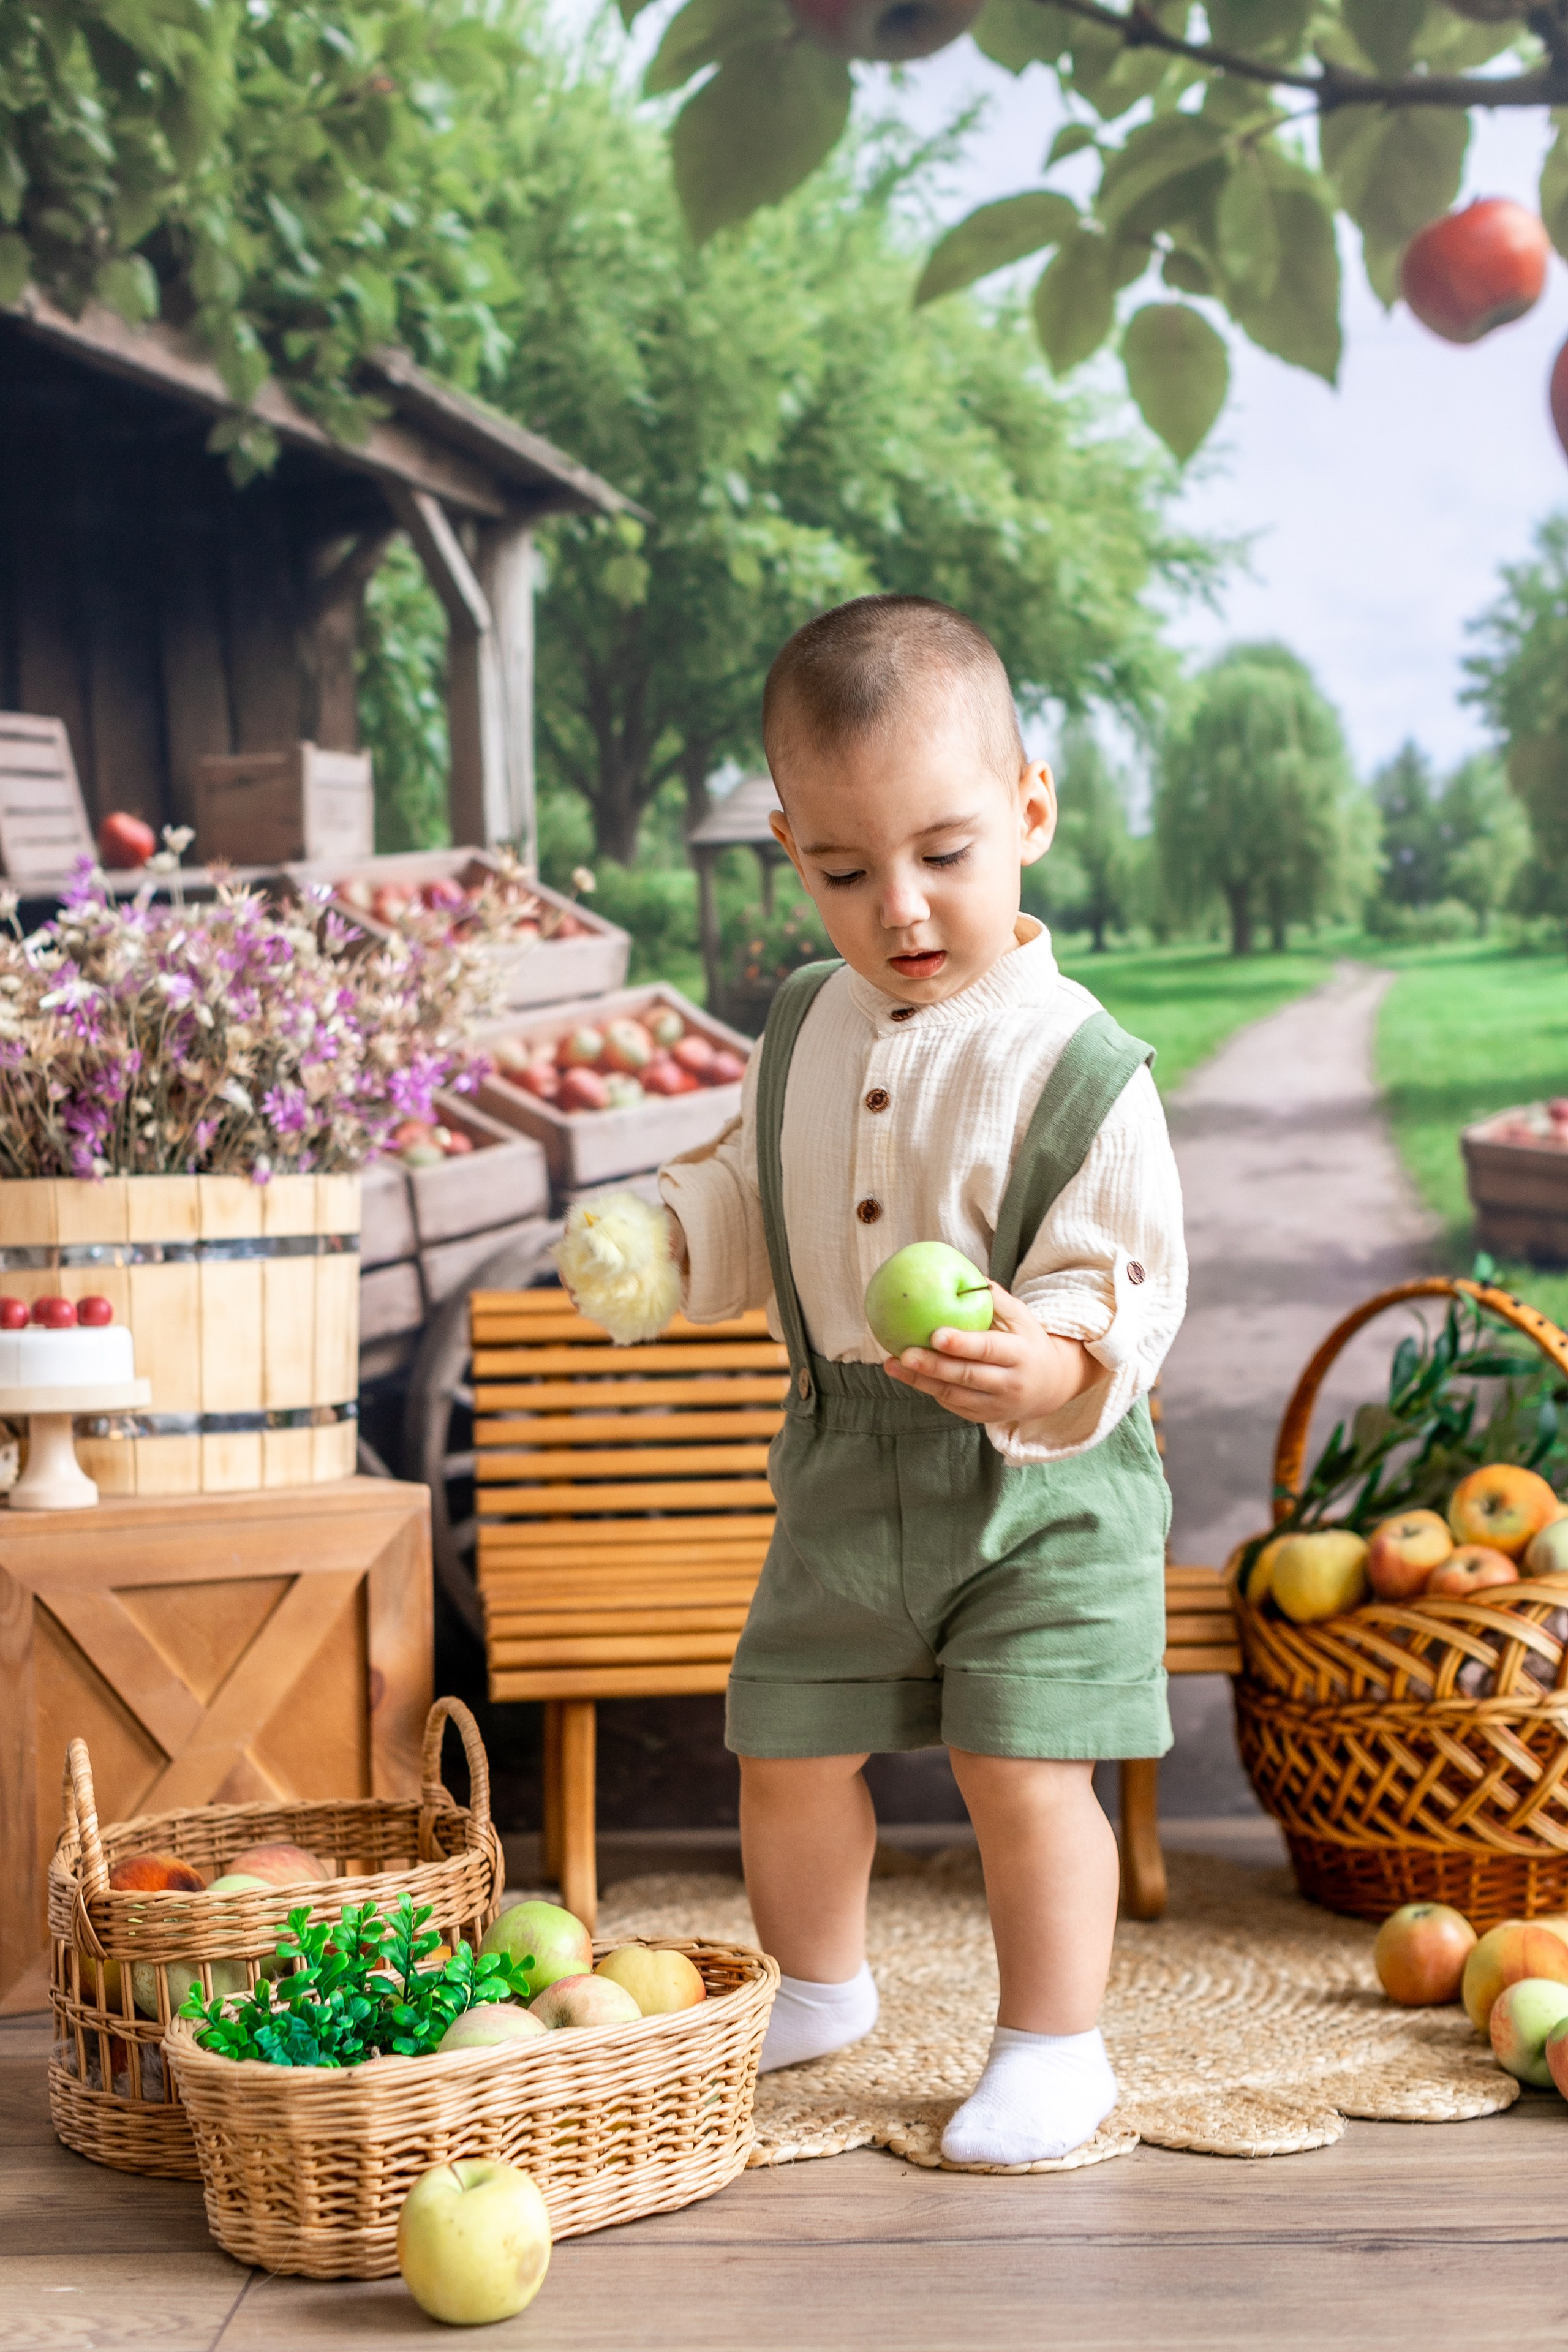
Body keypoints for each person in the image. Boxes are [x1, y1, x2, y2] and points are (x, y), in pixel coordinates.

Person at [562, 593, 1186, 2168]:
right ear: (790, 849)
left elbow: (1121, 1272)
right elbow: (746, 1185)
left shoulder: (1078, 1060)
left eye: (943, 854)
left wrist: (1047, 1355)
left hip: (1037, 1483)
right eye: (843, 872)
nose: (897, 907)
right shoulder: (800, 1026)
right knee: (784, 1748)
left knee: (1018, 1764)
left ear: (1028, 811)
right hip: (843, 1457)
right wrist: (664, 1241)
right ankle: (821, 1986)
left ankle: (1053, 2048)